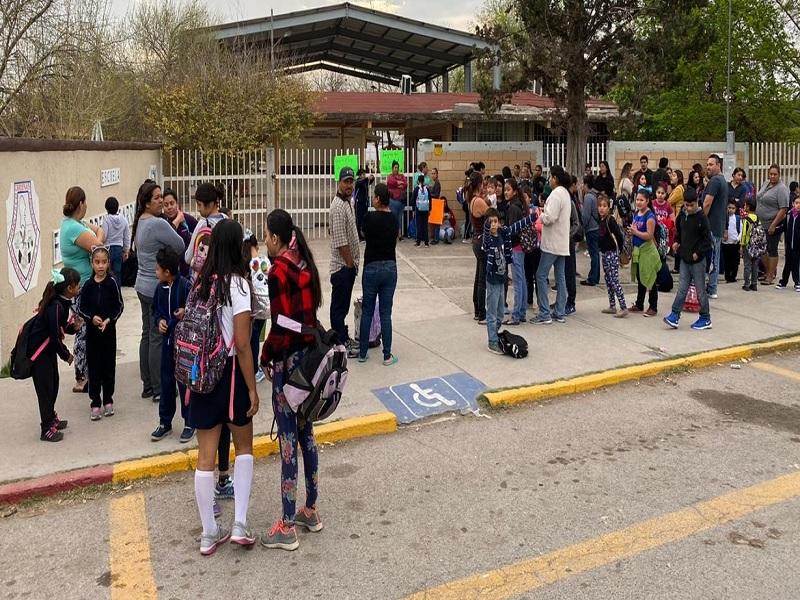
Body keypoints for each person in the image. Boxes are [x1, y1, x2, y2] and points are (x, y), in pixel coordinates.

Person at [188, 219, 259, 555]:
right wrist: (253, 388)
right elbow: (243, 344)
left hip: (201, 375)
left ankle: (208, 532)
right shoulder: (239, 285)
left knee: (205, 457)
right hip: (230, 373)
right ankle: (240, 524)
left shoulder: (200, 282)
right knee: (243, 447)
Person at [260, 209, 324, 551]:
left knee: (288, 442)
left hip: (287, 366)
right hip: (309, 362)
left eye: (266, 233)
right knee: (306, 433)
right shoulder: (303, 264)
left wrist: (265, 355)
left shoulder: (277, 271)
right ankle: (309, 509)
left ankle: (286, 524)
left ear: (274, 237)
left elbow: (280, 325)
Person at [132, 181, 185, 403]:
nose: (161, 200)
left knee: (147, 334)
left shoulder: (140, 223)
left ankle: (147, 384)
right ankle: (158, 387)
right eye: (156, 197)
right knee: (156, 336)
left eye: (161, 196)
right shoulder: (157, 224)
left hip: (141, 285)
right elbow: (180, 245)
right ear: (146, 203)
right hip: (156, 288)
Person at [60, 186, 106, 393]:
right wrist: (98, 237)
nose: (87, 206)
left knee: (87, 329)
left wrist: (98, 234)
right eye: (85, 202)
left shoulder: (74, 224)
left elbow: (97, 232)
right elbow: (99, 248)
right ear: (81, 204)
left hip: (83, 284)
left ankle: (88, 373)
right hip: (81, 287)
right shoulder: (74, 228)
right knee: (83, 331)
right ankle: (82, 376)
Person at [28, 268, 81, 442]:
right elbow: (53, 336)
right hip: (39, 353)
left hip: (47, 351)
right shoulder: (56, 306)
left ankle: (51, 418)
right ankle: (46, 428)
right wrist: (66, 355)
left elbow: (61, 327)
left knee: (53, 384)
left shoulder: (62, 302)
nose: (79, 288)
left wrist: (73, 328)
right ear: (70, 288)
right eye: (77, 286)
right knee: (45, 390)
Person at [149, 248, 193, 442]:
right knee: (166, 382)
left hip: (183, 345)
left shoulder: (185, 286)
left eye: (157, 269)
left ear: (167, 271)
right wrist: (159, 321)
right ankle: (165, 422)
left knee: (184, 384)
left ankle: (190, 421)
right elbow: (155, 311)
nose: (155, 272)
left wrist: (185, 312)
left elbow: (193, 309)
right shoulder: (159, 289)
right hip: (167, 344)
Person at [77, 246, 123, 421]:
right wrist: (92, 318)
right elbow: (82, 308)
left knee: (108, 367)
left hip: (109, 334)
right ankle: (95, 402)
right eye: (97, 262)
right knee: (94, 368)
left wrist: (109, 320)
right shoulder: (87, 285)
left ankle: (108, 399)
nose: (101, 266)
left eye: (104, 262)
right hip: (92, 335)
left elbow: (119, 306)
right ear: (92, 264)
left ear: (109, 263)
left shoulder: (112, 283)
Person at [482, 206, 536, 353]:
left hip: (501, 279)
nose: (494, 224)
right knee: (492, 313)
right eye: (490, 222)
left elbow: (515, 227)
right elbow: (486, 235)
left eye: (495, 221)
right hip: (492, 280)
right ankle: (492, 341)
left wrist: (532, 218)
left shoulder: (502, 234)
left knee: (500, 313)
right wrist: (487, 225)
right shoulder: (487, 240)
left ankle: (495, 333)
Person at [358, 183, 399, 364]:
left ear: (379, 199)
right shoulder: (394, 219)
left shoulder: (369, 217)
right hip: (390, 267)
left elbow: (364, 233)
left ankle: (362, 353)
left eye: (374, 196)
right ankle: (387, 355)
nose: (372, 199)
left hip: (371, 267)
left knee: (367, 310)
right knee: (385, 313)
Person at [663, 190, 713, 330]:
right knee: (682, 289)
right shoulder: (683, 215)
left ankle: (705, 317)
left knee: (700, 290)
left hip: (697, 260)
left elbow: (707, 240)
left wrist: (698, 253)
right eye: (686, 205)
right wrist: (676, 242)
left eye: (691, 205)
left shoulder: (702, 218)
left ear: (697, 203)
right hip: (685, 258)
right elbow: (679, 231)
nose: (689, 208)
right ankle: (675, 315)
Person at [531, 165, 571, 325]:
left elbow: (550, 217)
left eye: (550, 177)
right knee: (560, 277)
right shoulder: (565, 193)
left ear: (555, 178)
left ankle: (544, 313)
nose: (549, 180)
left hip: (552, 243)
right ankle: (560, 311)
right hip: (561, 242)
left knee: (540, 275)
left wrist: (541, 216)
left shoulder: (556, 194)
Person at [329, 166, 360, 357]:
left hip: (348, 267)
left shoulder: (347, 202)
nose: (349, 185)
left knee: (342, 306)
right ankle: (339, 342)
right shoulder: (338, 207)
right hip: (342, 267)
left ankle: (341, 337)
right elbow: (341, 242)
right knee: (339, 308)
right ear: (339, 182)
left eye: (351, 181)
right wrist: (350, 265)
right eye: (346, 181)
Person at [627, 190, 660, 316]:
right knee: (641, 278)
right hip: (638, 251)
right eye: (637, 200)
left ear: (647, 201)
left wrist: (635, 232)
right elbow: (636, 229)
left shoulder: (650, 216)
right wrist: (631, 232)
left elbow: (649, 235)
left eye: (641, 200)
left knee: (650, 278)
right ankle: (639, 304)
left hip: (647, 251)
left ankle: (653, 307)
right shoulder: (636, 213)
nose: (639, 202)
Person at [756, 164, 790, 285]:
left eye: (775, 174)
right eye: (771, 174)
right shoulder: (766, 184)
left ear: (779, 174)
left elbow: (783, 208)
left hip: (773, 223)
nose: (772, 176)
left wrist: (773, 225)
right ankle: (767, 271)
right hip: (761, 222)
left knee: (772, 249)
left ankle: (770, 276)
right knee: (762, 249)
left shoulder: (782, 189)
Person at [244, 232, 270, 383]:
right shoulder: (264, 260)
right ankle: (255, 366)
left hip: (253, 306)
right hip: (266, 304)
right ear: (256, 246)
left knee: (252, 337)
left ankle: (253, 367)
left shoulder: (246, 263)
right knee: (257, 334)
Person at [701, 154, 728, 298]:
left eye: (711, 164)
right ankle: (712, 287)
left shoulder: (715, 181)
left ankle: (711, 289)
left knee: (711, 258)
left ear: (719, 165)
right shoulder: (723, 181)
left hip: (711, 226)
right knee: (715, 257)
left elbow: (707, 203)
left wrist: (701, 221)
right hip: (717, 226)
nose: (708, 167)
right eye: (707, 164)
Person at [503, 179, 528, 325]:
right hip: (520, 248)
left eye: (508, 190)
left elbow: (512, 231)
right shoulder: (518, 206)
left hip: (515, 247)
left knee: (518, 282)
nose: (506, 192)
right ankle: (521, 311)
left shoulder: (513, 208)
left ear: (514, 191)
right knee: (522, 280)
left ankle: (516, 315)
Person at [598, 195, 628, 317]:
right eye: (599, 206)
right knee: (608, 280)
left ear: (609, 207)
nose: (601, 209)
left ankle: (623, 307)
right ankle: (612, 305)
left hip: (612, 254)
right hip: (604, 253)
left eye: (604, 206)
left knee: (614, 281)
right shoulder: (601, 220)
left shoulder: (610, 220)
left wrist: (620, 251)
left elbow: (619, 236)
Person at [468, 171, 489, 323]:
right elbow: (491, 215)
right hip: (482, 240)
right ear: (480, 184)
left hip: (476, 240)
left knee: (478, 276)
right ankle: (482, 312)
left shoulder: (472, 200)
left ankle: (477, 308)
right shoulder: (479, 202)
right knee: (482, 279)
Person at [162, 187, 197, 277]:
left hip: (187, 270)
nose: (169, 207)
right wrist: (177, 221)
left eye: (172, 203)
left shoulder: (187, 219)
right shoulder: (161, 222)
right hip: (168, 272)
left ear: (177, 204)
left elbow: (200, 233)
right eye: (166, 205)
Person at [102, 197, 130, 284]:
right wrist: (126, 251)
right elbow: (126, 236)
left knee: (108, 273)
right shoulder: (124, 220)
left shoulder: (106, 220)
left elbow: (104, 235)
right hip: (119, 249)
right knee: (117, 273)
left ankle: (109, 293)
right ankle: (117, 293)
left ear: (106, 208)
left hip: (108, 249)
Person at [775, 194, 800, 291]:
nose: (798, 205)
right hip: (789, 245)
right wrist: (774, 230)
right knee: (787, 264)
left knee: (796, 264)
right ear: (793, 204)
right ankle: (783, 282)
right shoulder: (789, 215)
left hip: (798, 246)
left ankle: (797, 282)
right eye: (797, 203)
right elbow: (784, 227)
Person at [580, 176, 601, 286]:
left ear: (586, 184)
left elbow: (586, 215)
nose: (582, 186)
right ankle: (595, 277)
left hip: (591, 229)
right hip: (596, 227)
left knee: (594, 254)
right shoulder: (594, 195)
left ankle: (593, 278)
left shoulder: (588, 197)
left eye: (583, 184)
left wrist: (581, 226)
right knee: (595, 254)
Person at [740, 197, 761, 291]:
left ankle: (747, 284)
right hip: (756, 245)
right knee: (755, 265)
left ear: (748, 207)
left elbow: (744, 233)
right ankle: (754, 284)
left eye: (745, 205)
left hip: (748, 245)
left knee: (747, 265)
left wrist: (741, 245)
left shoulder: (746, 219)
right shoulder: (757, 218)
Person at [387, 161, 408, 240]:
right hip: (393, 201)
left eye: (397, 167)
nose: (396, 169)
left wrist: (398, 184)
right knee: (394, 218)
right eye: (395, 167)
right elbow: (390, 182)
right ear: (392, 168)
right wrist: (398, 183)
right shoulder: (390, 176)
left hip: (401, 200)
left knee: (399, 218)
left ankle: (399, 234)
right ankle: (393, 234)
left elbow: (405, 184)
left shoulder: (402, 176)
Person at [721, 201, 741, 283]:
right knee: (726, 261)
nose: (731, 210)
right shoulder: (723, 218)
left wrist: (738, 239)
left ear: (736, 209)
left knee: (735, 261)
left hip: (735, 243)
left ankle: (733, 276)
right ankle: (727, 276)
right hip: (725, 243)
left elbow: (741, 230)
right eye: (729, 208)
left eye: (733, 208)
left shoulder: (737, 218)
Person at [353, 168, 374, 241]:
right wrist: (367, 178)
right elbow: (360, 182)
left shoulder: (365, 181)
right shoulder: (358, 181)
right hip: (358, 203)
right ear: (360, 175)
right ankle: (358, 235)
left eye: (365, 174)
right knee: (358, 219)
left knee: (364, 219)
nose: (364, 175)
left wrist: (372, 176)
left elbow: (371, 180)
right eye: (363, 174)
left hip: (365, 203)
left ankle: (363, 234)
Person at [412, 174, 431, 247]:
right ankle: (426, 242)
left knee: (418, 225)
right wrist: (430, 209)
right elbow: (430, 199)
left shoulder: (417, 189)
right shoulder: (427, 189)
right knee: (425, 226)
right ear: (423, 181)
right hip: (426, 209)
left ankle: (418, 242)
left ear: (418, 181)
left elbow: (413, 200)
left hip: (418, 209)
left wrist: (413, 209)